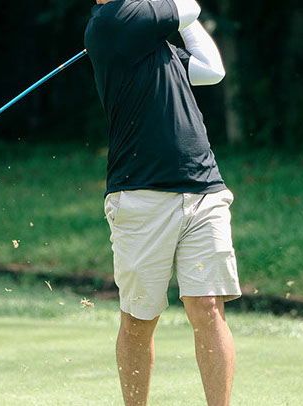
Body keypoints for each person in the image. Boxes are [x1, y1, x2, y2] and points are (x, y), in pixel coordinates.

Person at [85, 0, 241, 404]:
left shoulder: (152, 41)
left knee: (208, 306)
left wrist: (178, 25)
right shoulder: (114, 19)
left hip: (204, 188)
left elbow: (212, 70)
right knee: (140, 319)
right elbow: (189, 5)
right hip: (141, 196)